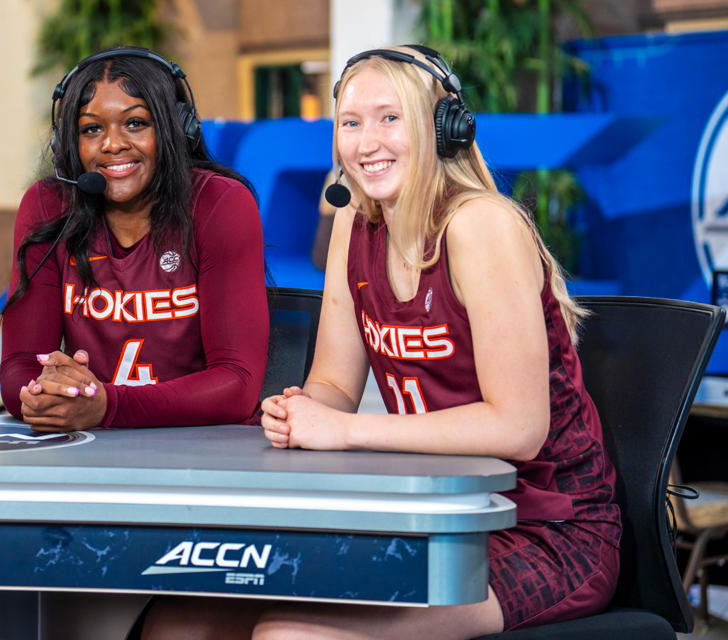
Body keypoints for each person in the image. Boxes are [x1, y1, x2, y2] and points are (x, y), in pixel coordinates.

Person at [141, 45, 620, 639]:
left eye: (389, 118)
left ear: (442, 128)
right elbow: (337, 384)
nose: (367, 142)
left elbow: (518, 427)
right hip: (434, 514)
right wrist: (303, 412)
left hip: (544, 533)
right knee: (179, 623)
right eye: (350, 122)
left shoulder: (480, 226)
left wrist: (344, 431)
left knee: (289, 634)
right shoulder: (356, 221)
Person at [0, 47, 268, 431]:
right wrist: (47, 393)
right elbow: (19, 367)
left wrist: (107, 406)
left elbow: (237, 383)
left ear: (176, 128)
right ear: (67, 143)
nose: (112, 145)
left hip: (205, 449)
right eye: (91, 129)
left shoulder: (219, 204)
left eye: (136, 123)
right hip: (90, 449)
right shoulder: (48, 206)